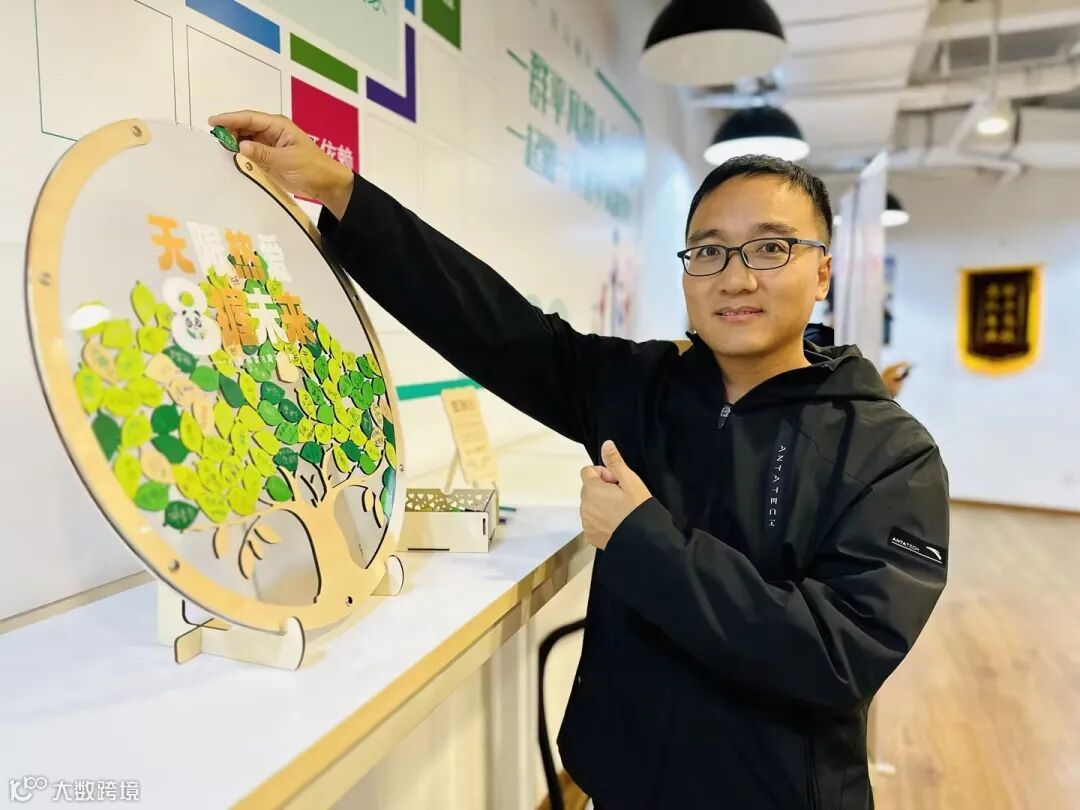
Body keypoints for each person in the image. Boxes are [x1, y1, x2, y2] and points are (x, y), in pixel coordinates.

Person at [209, 111, 950, 810]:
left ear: (822, 273)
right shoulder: (641, 386)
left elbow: (837, 654)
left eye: (771, 247)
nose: (736, 277)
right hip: (620, 782)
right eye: (708, 251)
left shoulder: (890, 454)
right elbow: (493, 326)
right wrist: (339, 190)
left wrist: (641, 538)